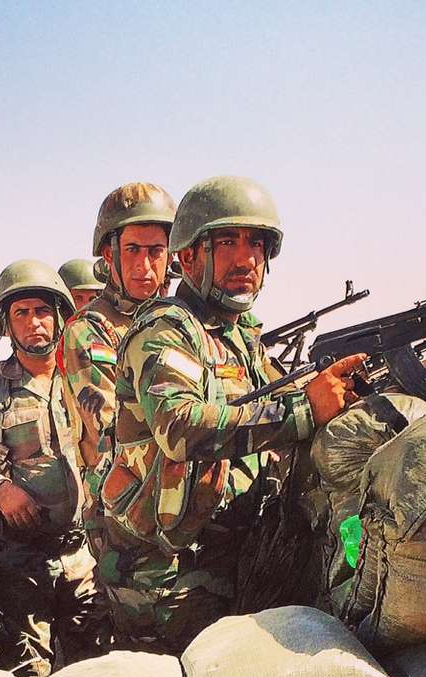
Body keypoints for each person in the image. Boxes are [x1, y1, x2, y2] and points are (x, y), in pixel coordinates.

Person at [98, 175, 368, 652]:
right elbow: (181, 428)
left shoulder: (239, 336)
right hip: (165, 577)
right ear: (188, 256)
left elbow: (275, 405)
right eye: (226, 243)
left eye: (256, 245)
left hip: (230, 553)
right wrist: (305, 409)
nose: (245, 259)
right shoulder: (166, 330)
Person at [0, 259, 108, 677]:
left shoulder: (88, 381)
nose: (35, 323)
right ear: (6, 325)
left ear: (61, 316)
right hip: (19, 557)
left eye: (43, 311)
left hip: (84, 553)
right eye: (21, 313)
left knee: (94, 676)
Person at [56, 182, 176, 563]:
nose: (144, 266)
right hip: (128, 528)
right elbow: (115, 432)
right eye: (132, 251)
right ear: (110, 255)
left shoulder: (182, 322)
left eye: (156, 251)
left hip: (186, 514)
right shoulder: (90, 331)